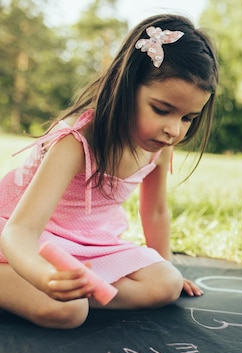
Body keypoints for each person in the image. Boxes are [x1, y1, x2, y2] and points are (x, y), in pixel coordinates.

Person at [0, 14, 219, 329]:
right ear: (126, 87)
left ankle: (76, 291)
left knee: (167, 283)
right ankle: (44, 292)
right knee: (69, 312)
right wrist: (44, 277)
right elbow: (19, 232)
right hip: (27, 239)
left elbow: (155, 211)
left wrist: (162, 262)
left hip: (89, 243)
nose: (173, 129)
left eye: (188, 118)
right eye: (162, 110)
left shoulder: (158, 145)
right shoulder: (76, 143)